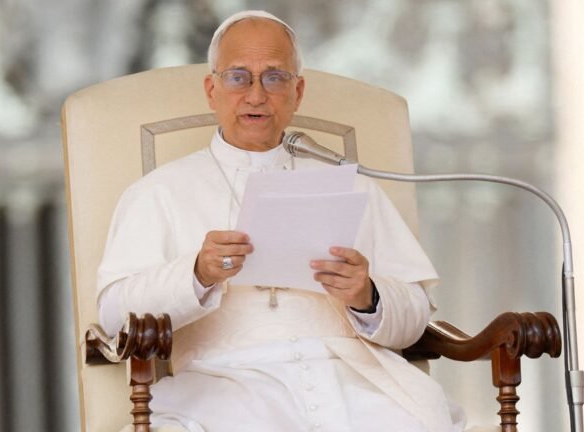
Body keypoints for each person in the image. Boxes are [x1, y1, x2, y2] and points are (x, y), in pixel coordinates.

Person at [97, 10, 466, 432]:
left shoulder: (352, 185)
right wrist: (196, 274)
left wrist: (368, 296)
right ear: (211, 90)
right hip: (222, 388)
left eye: (274, 77)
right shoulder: (158, 192)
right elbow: (113, 316)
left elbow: (414, 315)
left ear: (298, 92)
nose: (256, 95)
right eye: (238, 77)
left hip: (355, 384)